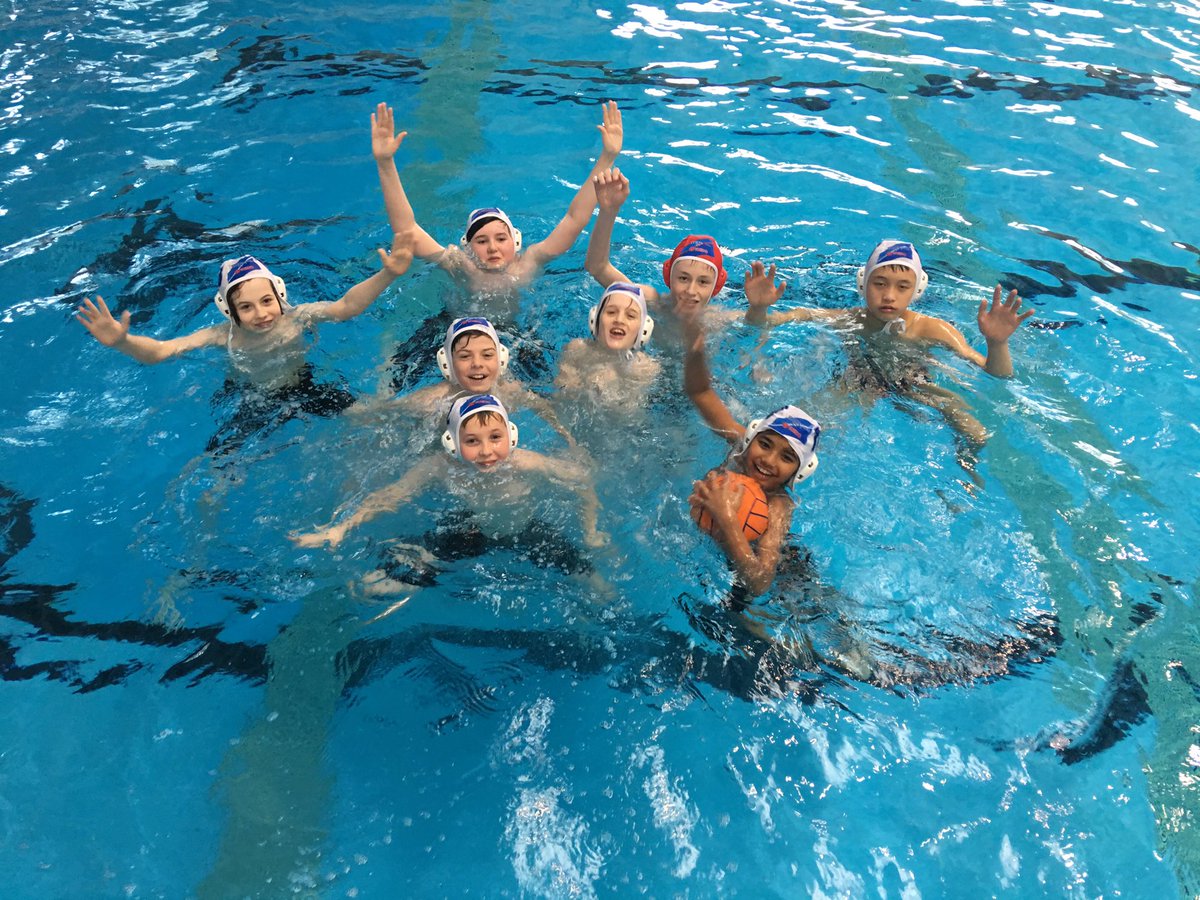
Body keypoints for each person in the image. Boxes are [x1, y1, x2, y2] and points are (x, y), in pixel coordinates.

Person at [291, 395, 608, 595]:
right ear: (453, 444)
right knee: (387, 581)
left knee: (595, 583)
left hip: (527, 529)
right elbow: (393, 494)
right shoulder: (440, 466)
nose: (486, 450)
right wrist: (341, 527)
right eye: (472, 441)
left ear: (510, 436)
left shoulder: (527, 463)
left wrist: (591, 529)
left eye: (495, 437)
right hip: (470, 530)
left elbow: (582, 480)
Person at [743, 239, 1034, 450]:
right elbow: (775, 321)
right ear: (863, 283)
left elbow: (996, 374)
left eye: (902, 287)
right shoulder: (846, 319)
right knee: (798, 429)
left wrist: (997, 343)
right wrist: (758, 308)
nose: (889, 295)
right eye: (879, 283)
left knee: (976, 434)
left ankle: (964, 475)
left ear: (917, 290)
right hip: (856, 380)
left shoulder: (933, 329)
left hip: (914, 382)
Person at [370, 100, 622, 297]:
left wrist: (608, 157)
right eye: (481, 241)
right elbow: (407, 230)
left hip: (515, 335)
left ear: (516, 241)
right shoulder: (460, 265)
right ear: (467, 248)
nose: (492, 247)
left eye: (501, 238)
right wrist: (385, 163)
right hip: (459, 333)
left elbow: (574, 219)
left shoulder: (530, 262)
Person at [683, 318, 821, 597]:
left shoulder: (778, 506)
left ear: (798, 473)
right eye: (765, 444)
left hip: (777, 570)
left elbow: (760, 583)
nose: (768, 460)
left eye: (786, 457)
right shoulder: (739, 448)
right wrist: (695, 351)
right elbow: (700, 393)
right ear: (750, 440)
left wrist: (727, 519)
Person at [584, 168, 738, 349]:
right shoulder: (651, 303)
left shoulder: (719, 320)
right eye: (683, 278)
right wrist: (608, 212)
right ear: (668, 277)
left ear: (716, 286)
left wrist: (758, 308)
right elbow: (598, 267)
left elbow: (761, 323)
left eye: (703, 282)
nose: (691, 290)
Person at [554, 281, 661, 407]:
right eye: (611, 312)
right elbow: (560, 398)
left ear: (643, 330)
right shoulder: (577, 349)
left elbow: (630, 414)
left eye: (630, 316)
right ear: (595, 320)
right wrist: (586, 388)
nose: (619, 320)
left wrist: (609, 392)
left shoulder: (645, 368)